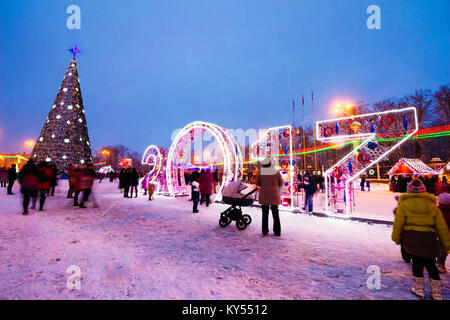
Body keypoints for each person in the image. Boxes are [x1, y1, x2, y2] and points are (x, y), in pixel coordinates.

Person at [391, 179, 450, 300]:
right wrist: (446, 244)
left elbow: (398, 224)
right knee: (431, 265)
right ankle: (436, 291)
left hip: (412, 239)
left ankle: (419, 289)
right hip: (429, 240)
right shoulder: (432, 206)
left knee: (417, 265)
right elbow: (441, 226)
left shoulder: (404, 205)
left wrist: (396, 238)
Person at [256, 156, 283, 236]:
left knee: (265, 213)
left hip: (264, 195)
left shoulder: (261, 171)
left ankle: (265, 230)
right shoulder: (276, 171)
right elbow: (281, 182)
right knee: (275, 214)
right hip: (274, 195)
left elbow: (257, 183)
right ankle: (277, 231)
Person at [437, 193, 450, 274]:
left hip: (436, 234)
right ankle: (441, 264)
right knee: (444, 250)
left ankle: (438, 262)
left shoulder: (435, 210)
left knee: (437, 248)